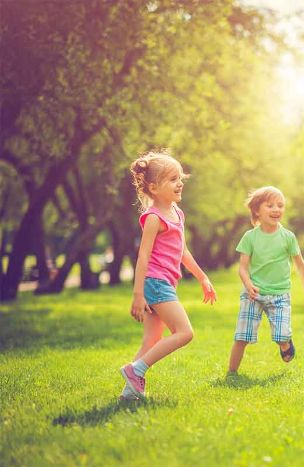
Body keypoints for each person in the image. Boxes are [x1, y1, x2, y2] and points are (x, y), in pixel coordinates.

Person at [119, 150, 217, 400]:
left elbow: (182, 250)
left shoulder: (177, 213)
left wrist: (202, 277)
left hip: (164, 283)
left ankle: (129, 393)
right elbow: (142, 257)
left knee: (151, 339)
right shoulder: (153, 218)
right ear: (153, 186)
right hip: (154, 284)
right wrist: (138, 295)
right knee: (185, 332)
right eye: (173, 179)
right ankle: (136, 370)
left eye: (180, 177)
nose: (180, 183)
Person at [227, 186, 304, 376]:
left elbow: (301, 267)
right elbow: (242, 268)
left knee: (282, 335)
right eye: (270, 206)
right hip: (254, 294)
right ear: (257, 210)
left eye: (280, 205)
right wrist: (248, 284)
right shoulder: (250, 237)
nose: (276, 209)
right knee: (242, 336)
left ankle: (285, 343)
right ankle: (231, 374)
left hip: (280, 295)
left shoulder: (288, 237)